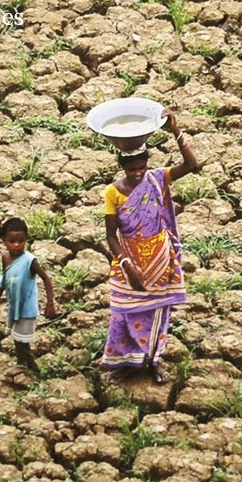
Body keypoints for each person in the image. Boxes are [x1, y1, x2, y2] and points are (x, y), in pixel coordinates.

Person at [101, 109, 198, 385]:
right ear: (122, 167)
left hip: (159, 257)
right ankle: (125, 363)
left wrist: (176, 132)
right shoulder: (113, 192)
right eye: (131, 169)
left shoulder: (157, 178)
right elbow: (111, 235)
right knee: (123, 312)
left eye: (141, 168)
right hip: (129, 257)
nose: (137, 174)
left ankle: (152, 360)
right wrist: (126, 264)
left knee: (157, 312)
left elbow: (192, 165)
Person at [0, 217, 57, 377]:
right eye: (12, 241)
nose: (17, 245)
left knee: (21, 340)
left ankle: (24, 365)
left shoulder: (29, 260)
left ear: (26, 239)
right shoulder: (5, 258)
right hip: (14, 307)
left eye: (21, 240)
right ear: (4, 241)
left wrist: (50, 303)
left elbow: (46, 278)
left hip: (27, 308)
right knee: (17, 337)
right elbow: (3, 280)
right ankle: (30, 365)